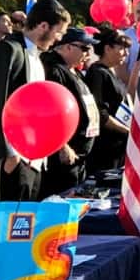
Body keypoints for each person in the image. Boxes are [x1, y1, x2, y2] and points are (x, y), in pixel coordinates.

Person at [0, 0, 71, 202]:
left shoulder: (37, 57)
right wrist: (9, 152)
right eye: (58, 33)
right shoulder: (8, 50)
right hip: (12, 157)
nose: (58, 39)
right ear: (43, 26)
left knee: (25, 224)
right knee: (7, 222)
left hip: (34, 158)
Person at [40, 28, 99, 197]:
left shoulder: (74, 70)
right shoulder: (54, 69)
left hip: (79, 154)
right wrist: (61, 145)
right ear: (67, 47)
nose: (88, 53)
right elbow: (50, 111)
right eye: (85, 48)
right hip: (64, 156)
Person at [84, 30, 133, 173]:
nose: (126, 54)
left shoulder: (110, 72)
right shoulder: (98, 73)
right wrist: (128, 131)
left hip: (118, 146)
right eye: (122, 48)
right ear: (107, 48)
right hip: (105, 148)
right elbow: (100, 113)